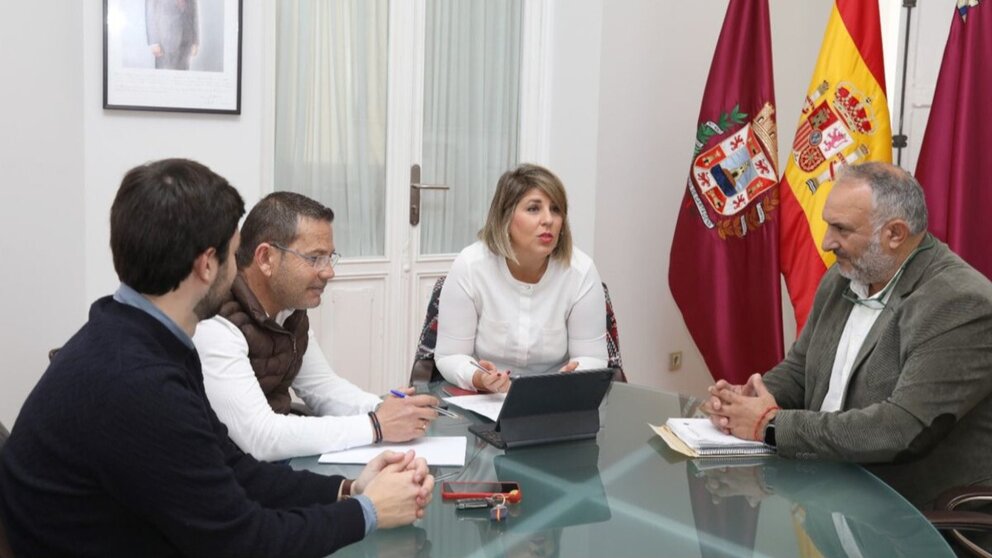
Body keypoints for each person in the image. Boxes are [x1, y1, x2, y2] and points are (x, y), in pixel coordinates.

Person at [0, 159, 433, 557]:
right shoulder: (139, 381)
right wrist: (367, 512)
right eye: (233, 251)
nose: (238, 265)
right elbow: (243, 542)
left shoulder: (138, 334)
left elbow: (234, 468)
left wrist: (348, 488)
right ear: (207, 265)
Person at [703, 161, 992, 509]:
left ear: (895, 234)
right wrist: (745, 402)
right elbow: (799, 370)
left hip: (912, 518)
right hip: (826, 496)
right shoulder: (842, 276)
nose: (826, 242)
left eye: (841, 229)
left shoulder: (960, 302)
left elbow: (899, 429)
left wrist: (770, 424)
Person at [193, 191, 440, 461]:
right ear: (265, 258)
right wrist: (376, 425)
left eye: (330, 258)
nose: (328, 272)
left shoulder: (291, 310)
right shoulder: (215, 325)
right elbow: (260, 437)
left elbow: (321, 387)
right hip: (230, 472)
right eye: (314, 258)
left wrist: (383, 407)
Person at [434, 164, 609, 393]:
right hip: (485, 399)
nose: (548, 220)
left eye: (556, 210)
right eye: (534, 209)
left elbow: (592, 357)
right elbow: (450, 355)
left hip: (556, 401)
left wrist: (571, 378)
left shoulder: (581, 271)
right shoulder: (471, 265)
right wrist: (477, 377)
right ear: (505, 217)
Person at [146, 0, 199, 70]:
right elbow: (150, 11)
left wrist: (195, 41)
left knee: (183, 77)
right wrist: (154, 42)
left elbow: (194, 12)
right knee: (164, 78)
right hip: (164, 43)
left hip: (186, 41)